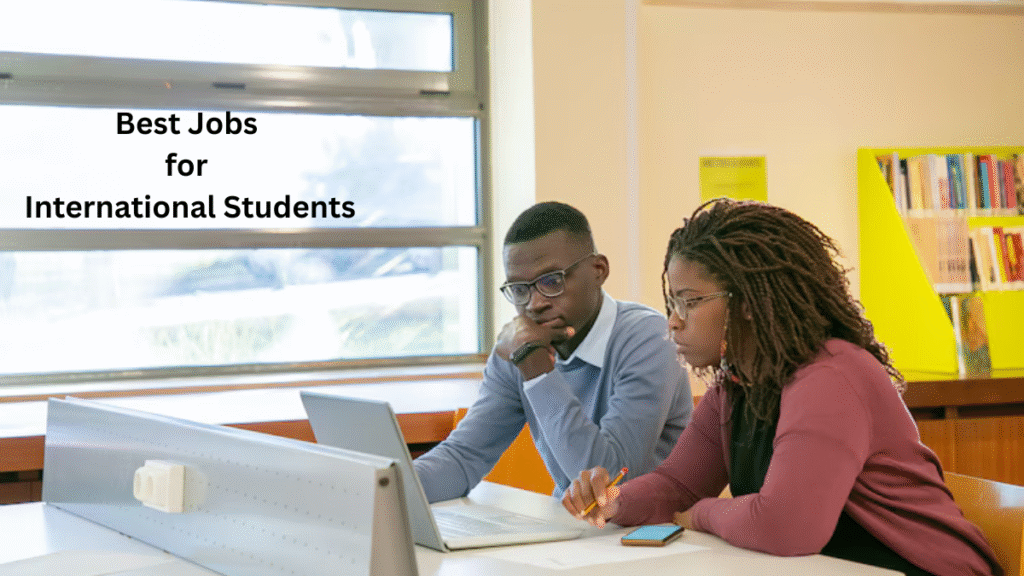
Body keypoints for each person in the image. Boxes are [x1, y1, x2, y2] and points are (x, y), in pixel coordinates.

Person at [563, 199, 1002, 576]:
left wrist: (701, 515)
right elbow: (676, 483)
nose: (674, 320)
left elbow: (786, 526)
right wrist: (613, 499)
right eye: (672, 302)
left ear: (749, 302)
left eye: (690, 301)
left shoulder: (831, 376)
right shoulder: (738, 382)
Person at [414, 201, 693, 503]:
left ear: (599, 270)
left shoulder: (648, 338)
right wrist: (384, 489)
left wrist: (537, 371)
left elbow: (607, 483)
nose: (535, 303)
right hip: (573, 533)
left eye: (551, 281)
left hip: (651, 535)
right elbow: (462, 458)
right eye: (519, 289)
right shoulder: (520, 347)